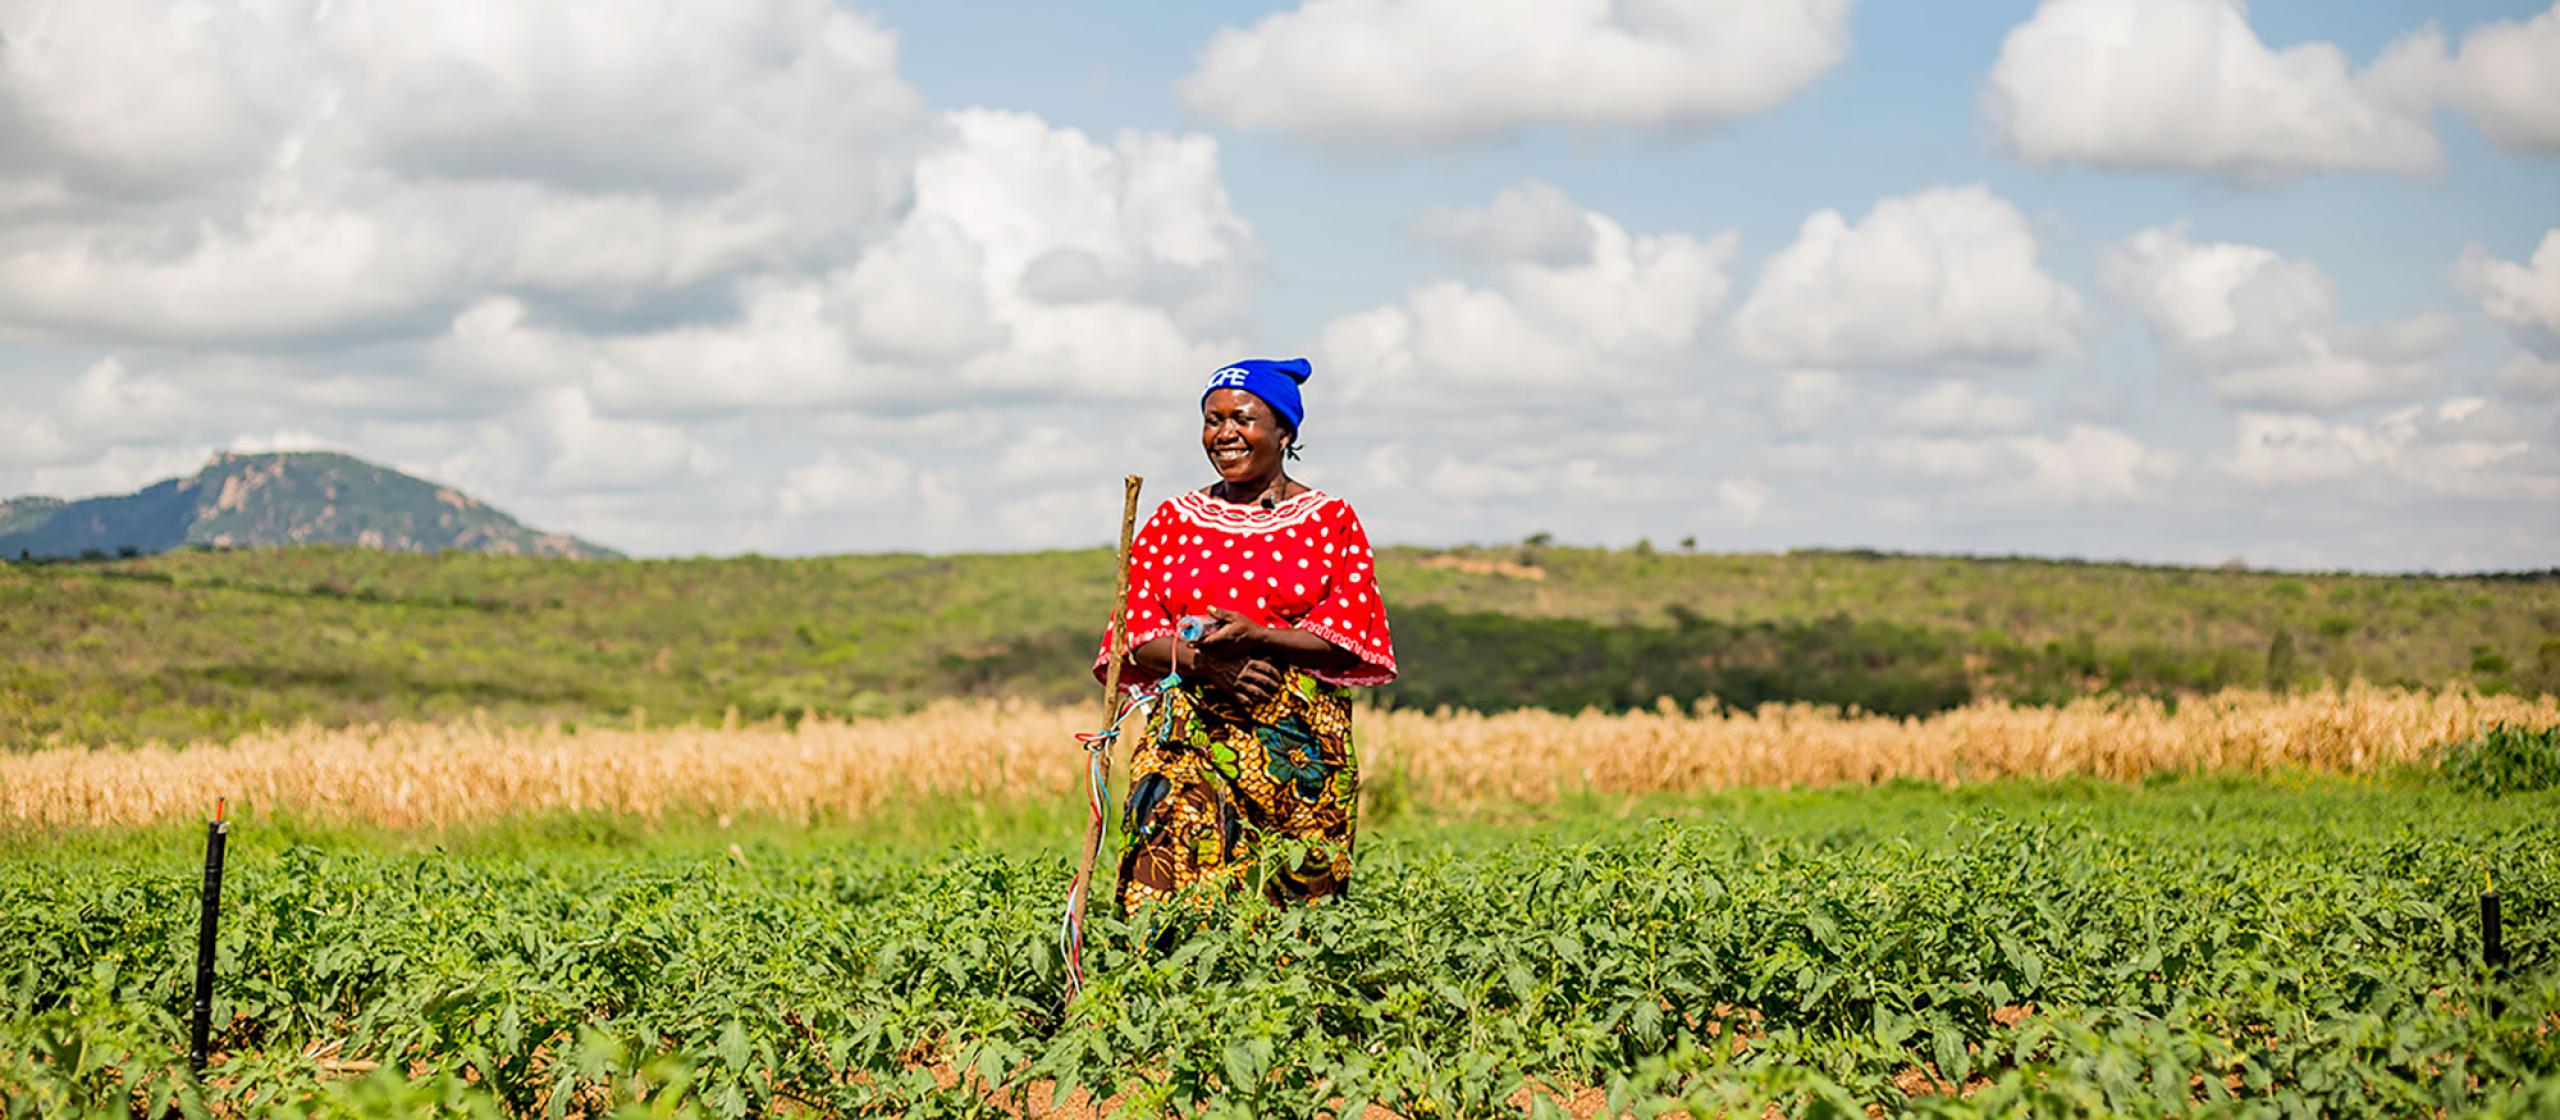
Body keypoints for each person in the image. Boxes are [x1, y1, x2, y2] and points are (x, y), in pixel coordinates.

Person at [1093, 357, 1397, 910]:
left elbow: (1348, 634)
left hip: (1299, 741)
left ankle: (1283, 997)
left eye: (1243, 418)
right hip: (1188, 726)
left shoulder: (1329, 521)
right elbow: (1132, 635)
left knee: (1301, 898)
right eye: (1213, 420)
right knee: (1163, 855)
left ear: (1284, 431)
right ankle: (1157, 990)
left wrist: (1258, 637)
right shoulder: (1174, 520)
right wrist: (1206, 665)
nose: (1225, 434)